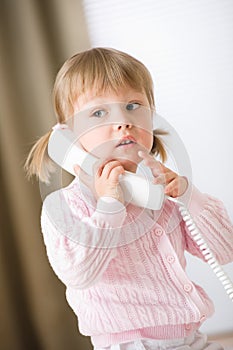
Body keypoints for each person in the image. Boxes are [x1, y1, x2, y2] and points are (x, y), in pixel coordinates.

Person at [25, 47, 233, 350]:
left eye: (134, 105)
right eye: (98, 113)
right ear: (68, 136)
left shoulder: (163, 195)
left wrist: (188, 195)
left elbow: (225, 249)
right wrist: (109, 207)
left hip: (194, 340)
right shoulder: (64, 207)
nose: (123, 121)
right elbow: (79, 274)